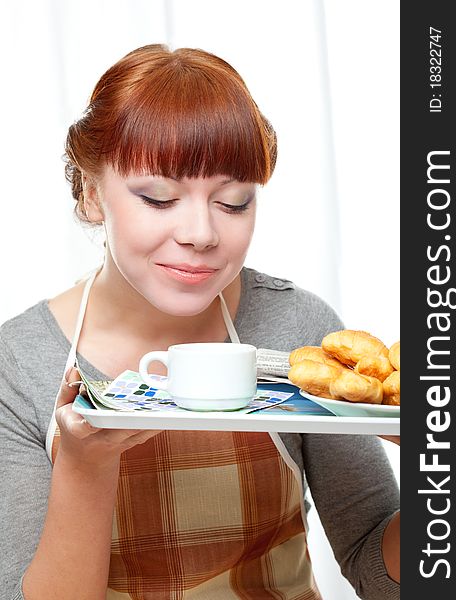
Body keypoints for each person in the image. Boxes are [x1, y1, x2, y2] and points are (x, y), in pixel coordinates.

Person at [0, 44, 399, 600]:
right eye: (159, 198)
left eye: (233, 202)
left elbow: (379, 572)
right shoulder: (19, 364)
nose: (201, 233)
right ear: (92, 195)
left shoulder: (296, 327)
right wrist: (85, 471)